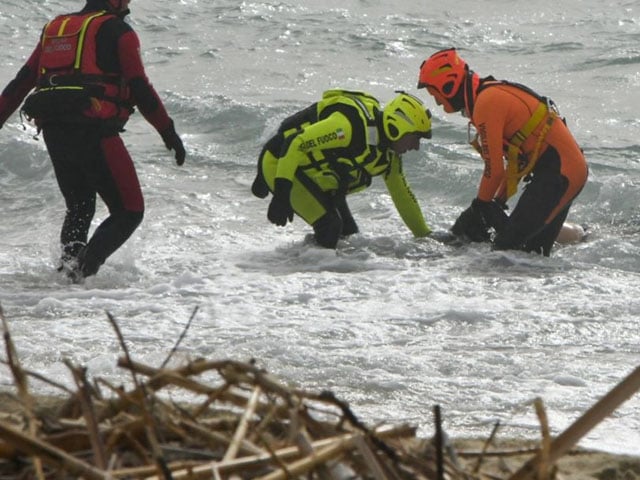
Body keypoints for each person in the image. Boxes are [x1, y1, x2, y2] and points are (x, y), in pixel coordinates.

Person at [0, 0, 186, 282]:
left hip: (54, 131)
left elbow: (20, 83)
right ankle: (81, 274)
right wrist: (167, 131)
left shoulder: (56, 28)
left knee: (80, 207)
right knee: (129, 210)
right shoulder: (118, 31)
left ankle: (67, 275)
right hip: (94, 131)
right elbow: (139, 87)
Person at [417, 48, 588, 256]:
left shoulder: (486, 103)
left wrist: (479, 207)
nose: (438, 104)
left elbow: (494, 170)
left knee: (508, 253)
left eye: (436, 96)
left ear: (448, 87)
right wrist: (497, 201)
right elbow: (514, 165)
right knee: (532, 252)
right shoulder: (488, 95)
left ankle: (588, 238)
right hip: (562, 171)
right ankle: (587, 237)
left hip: (559, 173)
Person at [251, 90, 432, 248]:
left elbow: (403, 197)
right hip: (279, 164)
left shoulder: (389, 157)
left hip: (313, 177)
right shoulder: (347, 127)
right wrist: (282, 195)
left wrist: (426, 238)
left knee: (349, 236)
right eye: (415, 138)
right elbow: (294, 143)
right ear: (397, 128)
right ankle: (297, 274)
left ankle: (313, 266)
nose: (416, 146)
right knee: (330, 227)